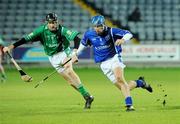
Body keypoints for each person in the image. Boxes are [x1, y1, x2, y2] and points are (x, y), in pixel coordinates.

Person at [3, 13, 94, 109]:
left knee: (69, 70)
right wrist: (10, 47)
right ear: (47, 23)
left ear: (57, 22)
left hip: (63, 52)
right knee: (71, 83)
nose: (53, 24)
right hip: (52, 58)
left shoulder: (62, 30)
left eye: (55, 22)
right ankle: (87, 96)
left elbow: (77, 39)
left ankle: (87, 97)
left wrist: (74, 53)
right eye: (51, 22)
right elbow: (25, 39)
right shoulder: (41, 30)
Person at [75, 15, 153, 111]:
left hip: (114, 58)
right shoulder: (89, 34)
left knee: (120, 78)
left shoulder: (112, 31)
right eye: (95, 26)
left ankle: (129, 105)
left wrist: (123, 39)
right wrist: (75, 54)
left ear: (103, 25)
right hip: (103, 64)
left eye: (99, 26)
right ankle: (140, 82)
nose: (97, 29)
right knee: (124, 87)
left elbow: (129, 34)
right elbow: (83, 44)